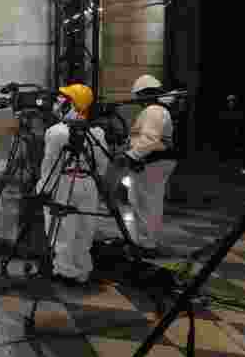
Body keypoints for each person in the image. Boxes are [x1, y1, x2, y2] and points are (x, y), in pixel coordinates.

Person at [35, 83, 109, 285]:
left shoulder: (57, 132)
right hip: (88, 184)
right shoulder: (97, 132)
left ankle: (65, 271)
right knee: (85, 229)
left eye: (63, 99)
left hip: (65, 182)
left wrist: (43, 189)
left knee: (62, 229)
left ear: (73, 104)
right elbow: (102, 163)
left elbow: (50, 165)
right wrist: (95, 184)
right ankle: (82, 270)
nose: (57, 102)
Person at [118, 74, 177, 255]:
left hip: (152, 163)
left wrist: (131, 156)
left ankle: (147, 244)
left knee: (146, 204)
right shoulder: (159, 110)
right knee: (142, 202)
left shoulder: (153, 111)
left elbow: (149, 139)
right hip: (152, 162)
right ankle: (142, 241)